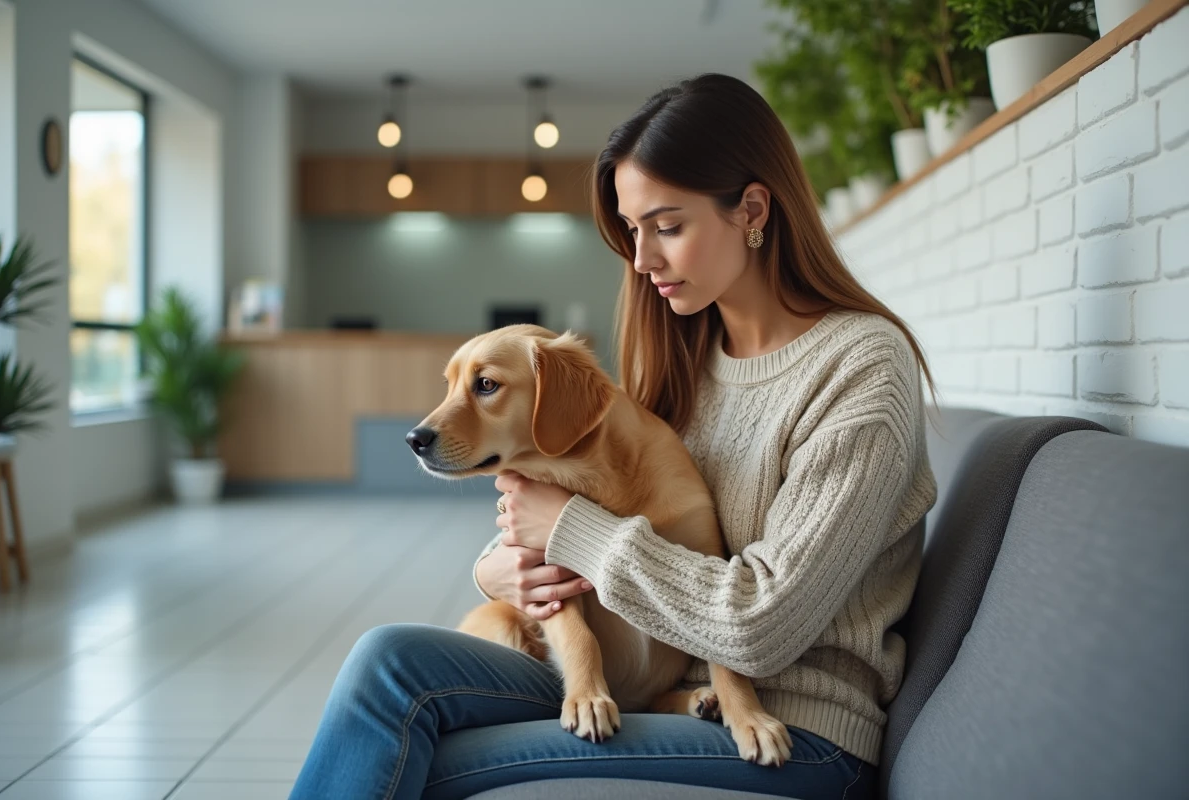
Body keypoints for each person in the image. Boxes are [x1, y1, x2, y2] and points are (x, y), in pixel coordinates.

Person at [289, 72, 937, 800]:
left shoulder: (860, 368)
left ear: (752, 209)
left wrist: (572, 532)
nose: (641, 259)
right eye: (632, 230)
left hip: (798, 731)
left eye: (667, 225)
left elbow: (762, 626)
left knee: (408, 757)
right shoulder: (687, 362)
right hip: (655, 684)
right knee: (386, 663)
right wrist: (500, 571)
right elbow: (570, 500)